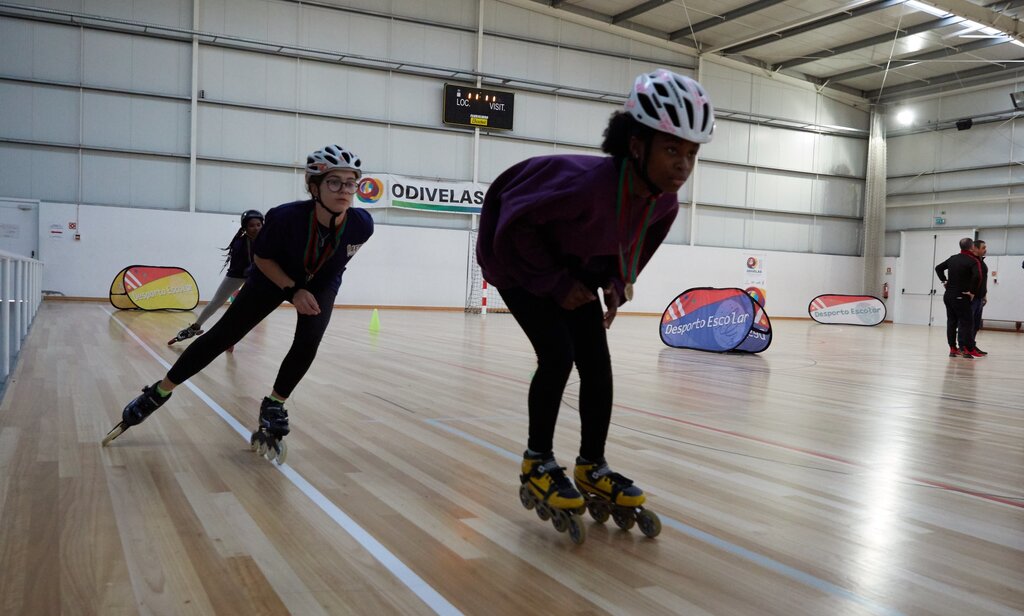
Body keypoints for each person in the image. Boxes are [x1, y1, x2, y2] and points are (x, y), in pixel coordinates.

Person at [476, 69, 714, 543]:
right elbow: (512, 230)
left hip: (575, 264)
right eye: (671, 149)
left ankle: (591, 465)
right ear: (635, 145)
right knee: (558, 354)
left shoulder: (664, 204)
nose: (683, 164)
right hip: (515, 260)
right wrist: (553, 282)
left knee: (597, 365)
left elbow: (635, 246)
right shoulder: (583, 184)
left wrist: (616, 283)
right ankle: (536, 460)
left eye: (691, 152)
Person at [103, 145, 374, 463]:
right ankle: (159, 391)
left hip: (320, 282)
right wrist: (292, 290)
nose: (344, 190)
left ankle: (275, 403)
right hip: (272, 277)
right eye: (334, 182)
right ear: (314, 187)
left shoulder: (361, 224)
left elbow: (335, 264)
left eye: (350, 182)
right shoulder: (286, 217)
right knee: (223, 336)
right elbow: (261, 257)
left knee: (310, 339)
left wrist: (310, 291)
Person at [168, 209, 264, 347]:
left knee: (241, 309)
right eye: (251, 225)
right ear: (245, 227)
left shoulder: (268, 240)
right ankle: (195, 327)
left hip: (256, 276)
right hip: (237, 275)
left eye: (258, 225)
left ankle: (230, 336)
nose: (256, 228)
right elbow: (241, 269)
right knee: (216, 302)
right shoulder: (239, 244)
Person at [935, 237, 982, 359]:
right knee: (967, 322)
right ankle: (967, 349)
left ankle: (952, 349)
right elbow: (978, 277)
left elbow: (938, 268)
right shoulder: (973, 261)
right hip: (961, 296)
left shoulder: (952, 258)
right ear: (972, 247)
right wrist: (972, 292)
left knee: (951, 322)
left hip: (948, 295)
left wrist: (944, 281)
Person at [970, 239, 989, 355]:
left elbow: (983, 281)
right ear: (975, 248)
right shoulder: (971, 262)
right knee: (969, 323)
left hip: (980, 298)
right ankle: (965, 346)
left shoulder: (982, 262)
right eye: (983, 247)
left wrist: (985, 295)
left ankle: (972, 345)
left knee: (976, 324)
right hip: (972, 299)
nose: (985, 250)